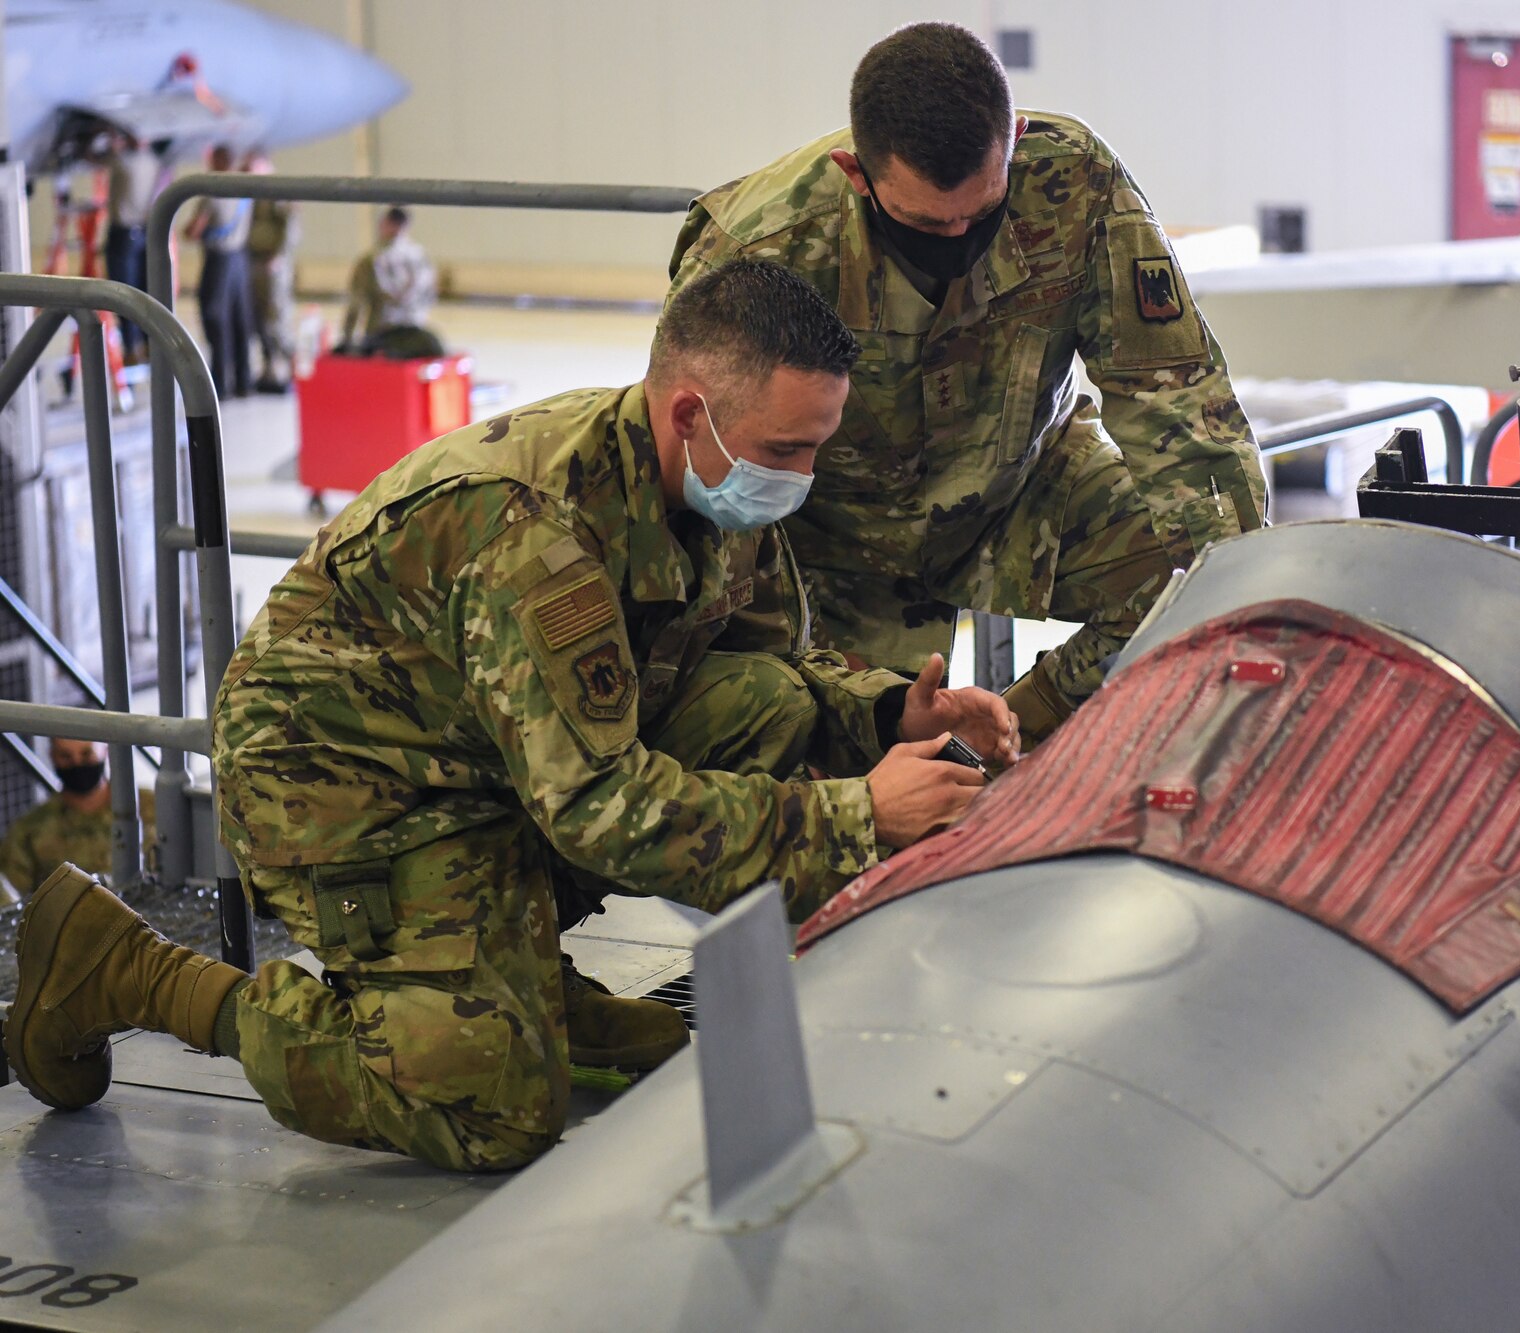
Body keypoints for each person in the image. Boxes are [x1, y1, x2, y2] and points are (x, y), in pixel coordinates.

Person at [5, 259, 1017, 1173]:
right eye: (785, 450)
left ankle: (514, 975)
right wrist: (854, 816)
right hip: (346, 791)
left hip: (487, 754)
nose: (798, 478)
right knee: (491, 1110)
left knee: (762, 709)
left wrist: (885, 712)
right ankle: (125, 967)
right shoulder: (532, 534)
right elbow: (595, 807)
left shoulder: (696, 486)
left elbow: (757, 666)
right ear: (688, 414)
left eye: (814, 450)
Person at [665, 22, 1265, 750]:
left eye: (981, 213)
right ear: (857, 175)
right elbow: (693, 458)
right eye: (922, 221)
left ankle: (1007, 738)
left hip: (1019, 490)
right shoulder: (762, 245)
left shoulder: (1071, 183)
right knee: (848, 769)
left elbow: (1177, 398)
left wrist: (1243, 589)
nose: (955, 239)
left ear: (1012, 140)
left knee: (1190, 577)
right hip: (833, 544)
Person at [0, 739, 152, 904]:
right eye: (66, 756)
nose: (77, 763)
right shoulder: (30, 830)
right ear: (52, 756)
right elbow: (12, 900)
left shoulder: (153, 807)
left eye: (87, 754)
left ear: (105, 751)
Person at [183, 144, 255, 397]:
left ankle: (220, 384)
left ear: (216, 161)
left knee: (216, 321)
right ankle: (245, 382)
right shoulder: (244, 189)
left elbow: (193, 231)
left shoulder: (212, 194)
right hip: (240, 261)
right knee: (240, 321)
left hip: (218, 262)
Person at [341, 206, 439, 357]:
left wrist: (347, 341)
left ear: (384, 224)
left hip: (382, 338)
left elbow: (356, 304)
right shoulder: (420, 257)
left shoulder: (371, 259)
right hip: (415, 338)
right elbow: (430, 297)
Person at [244, 149, 300, 393]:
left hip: (273, 266)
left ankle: (288, 368)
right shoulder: (250, 193)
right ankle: (270, 367)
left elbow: (291, 227)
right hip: (253, 262)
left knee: (276, 316)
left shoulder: (276, 192)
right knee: (259, 319)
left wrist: (278, 255)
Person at [102, 132, 161, 362]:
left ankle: (131, 349)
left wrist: (110, 142)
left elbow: (95, 158)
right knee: (143, 290)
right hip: (143, 233)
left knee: (123, 293)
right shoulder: (153, 162)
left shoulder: (124, 162)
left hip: (123, 235)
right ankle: (147, 346)